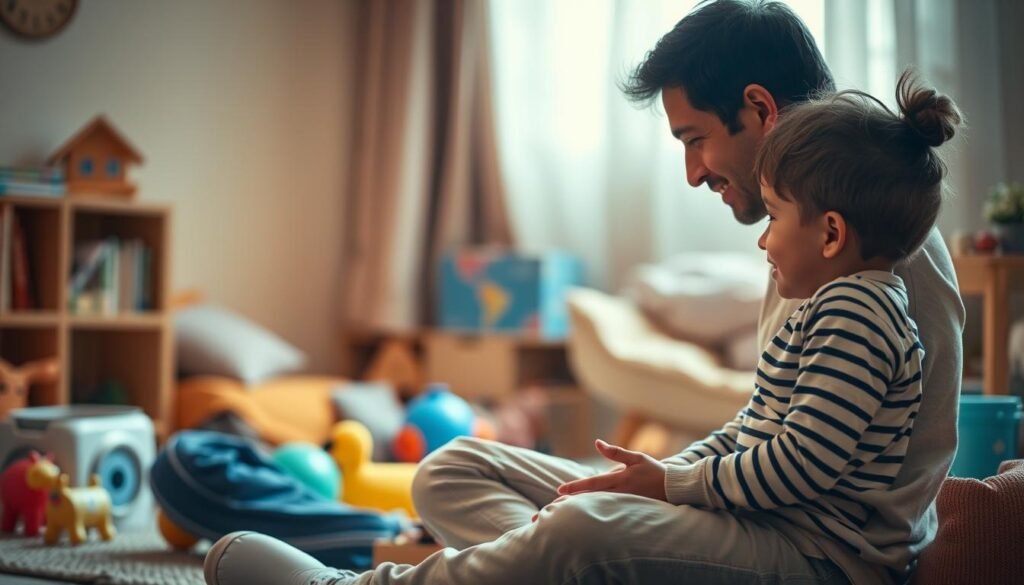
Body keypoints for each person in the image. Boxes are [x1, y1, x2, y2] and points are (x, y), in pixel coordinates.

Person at [203, 2, 965, 584]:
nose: (693, 173)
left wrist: (669, 488)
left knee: (581, 528)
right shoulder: (811, 243)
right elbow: (763, 424)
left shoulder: (880, 254)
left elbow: (832, 475)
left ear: (760, 110)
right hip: (754, 510)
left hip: (811, 550)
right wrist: (660, 483)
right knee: (454, 469)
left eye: (695, 139)